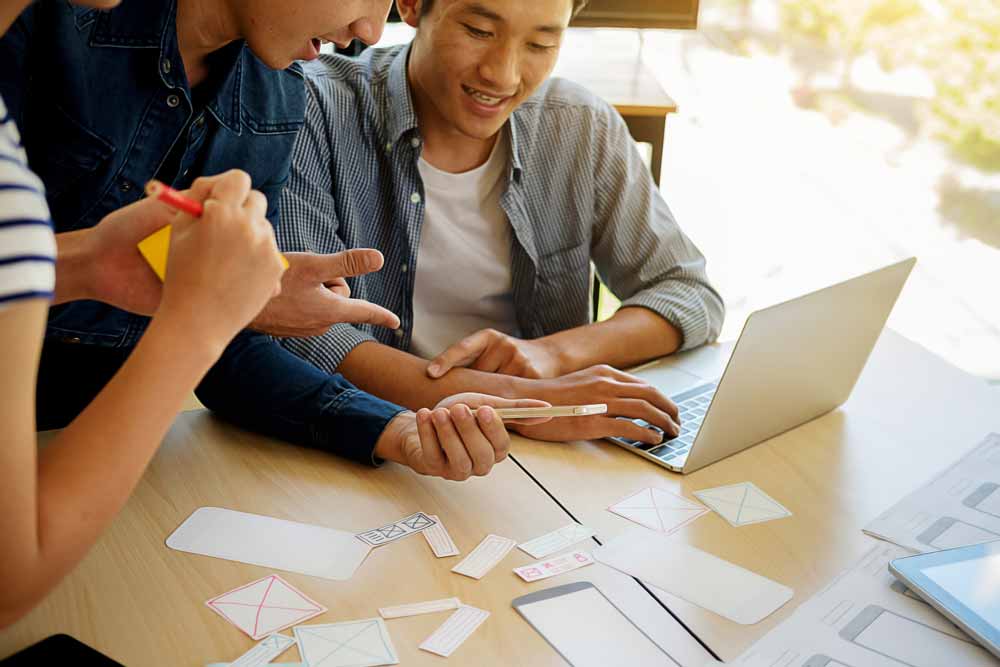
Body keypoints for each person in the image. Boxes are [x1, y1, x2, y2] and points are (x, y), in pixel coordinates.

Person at [278, 0, 726, 446]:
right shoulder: (313, 107)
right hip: (372, 438)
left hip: (545, 444)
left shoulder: (579, 126)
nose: (503, 75)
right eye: (478, 31)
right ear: (412, 6)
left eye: (540, 43)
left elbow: (687, 294)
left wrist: (551, 355)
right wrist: (521, 400)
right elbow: (304, 333)